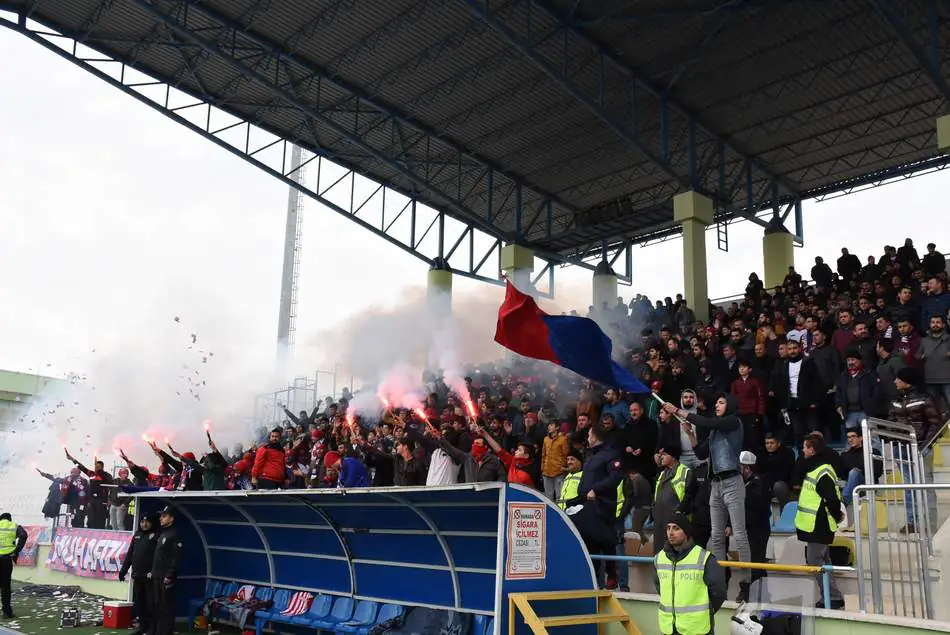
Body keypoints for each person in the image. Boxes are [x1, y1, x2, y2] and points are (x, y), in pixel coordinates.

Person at [662, 394, 751, 602]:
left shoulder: (732, 421)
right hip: (715, 484)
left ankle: (746, 582)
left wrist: (678, 411)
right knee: (716, 536)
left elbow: (707, 421)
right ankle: (718, 581)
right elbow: (701, 453)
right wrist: (691, 435)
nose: (717, 405)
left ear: (730, 405)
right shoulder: (715, 430)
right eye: (716, 402)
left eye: (721, 402)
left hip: (731, 481)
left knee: (739, 533)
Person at [653, 512, 726, 635]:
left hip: (697, 630)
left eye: (676, 528)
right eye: (668, 528)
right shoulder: (659, 558)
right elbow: (659, 587)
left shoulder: (704, 558)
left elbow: (719, 593)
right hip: (669, 629)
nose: (671, 533)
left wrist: (704, 613)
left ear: (686, 533)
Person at [794, 434, 845, 609]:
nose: (802, 450)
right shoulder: (815, 468)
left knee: (815, 560)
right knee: (822, 560)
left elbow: (831, 498)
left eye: (804, 447)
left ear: (812, 449)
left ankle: (832, 597)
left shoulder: (822, 471)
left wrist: (836, 515)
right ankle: (831, 597)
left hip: (819, 524)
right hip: (815, 524)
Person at [119, 514, 159, 635]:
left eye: (147, 522)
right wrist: (123, 571)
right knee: (140, 603)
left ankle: (153, 628)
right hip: (137, 576)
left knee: (150, 603)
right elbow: (130, 555)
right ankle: (143, 627)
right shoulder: (137, 535)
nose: (144, 524)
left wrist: (153, 572)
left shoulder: (156, 536)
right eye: (142, 521)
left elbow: (159, 557)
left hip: (150, 577)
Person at [152, 507, 182, 635]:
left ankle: (166, 631)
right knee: (157, 604)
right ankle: (158, 630)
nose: (161, 518)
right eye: (161, 516)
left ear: (171, 518)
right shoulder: (162, 533)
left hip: (166, 576)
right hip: (157, 574)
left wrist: (170, 574)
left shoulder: (174, 534)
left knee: (166, 606)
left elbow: (176, 556)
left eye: (164, 516)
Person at [0, 513, 28, 619]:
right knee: (5, 586)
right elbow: (24, 535)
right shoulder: (14, 526)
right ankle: (7, 612)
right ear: (9, 519)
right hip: (6, 559)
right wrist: (16, 551)